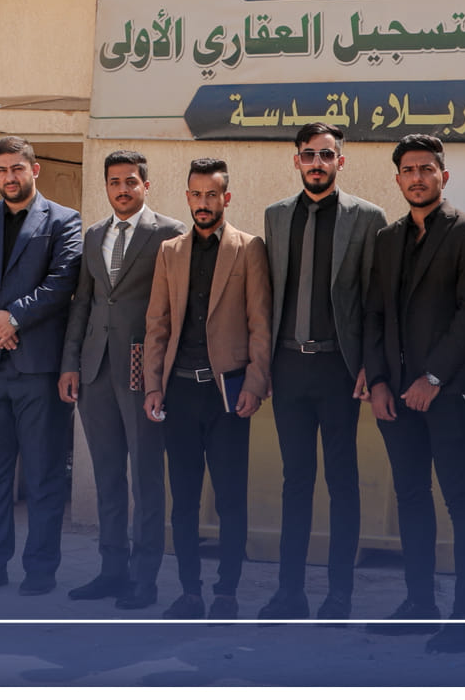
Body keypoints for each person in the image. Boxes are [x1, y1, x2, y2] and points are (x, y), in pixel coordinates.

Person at [363, 134, 465, 653]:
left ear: (444, 175)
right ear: (398, 179)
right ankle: (420, 605)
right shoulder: (387, 238)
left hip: (449, 393)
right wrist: (377, 381)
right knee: (411, 496)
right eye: (408, 170)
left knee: (459, 495)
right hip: (394, 397)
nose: (417, 177)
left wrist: (432, 377)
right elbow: (374, 315)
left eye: (426, 169)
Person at [0, 135, 83, 595]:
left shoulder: (63, 220)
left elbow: (62, 281)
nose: (10, 177)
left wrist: (14, 318)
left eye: (18, 168)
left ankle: (41, 570)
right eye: (2, 170)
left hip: (38, 370)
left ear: (34, 169)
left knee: (44, 475)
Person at [260, 122, 383, 621]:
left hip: (339, 367)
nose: (317, 163)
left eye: (326, 155)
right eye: (309, 154)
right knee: (295, 482)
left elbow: (375, 300)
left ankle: (339, 596)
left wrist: (370, 364)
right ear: (296, 160)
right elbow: (268, 295)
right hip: (287, 365)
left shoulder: (367, 218)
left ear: (340, 161)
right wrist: (262, 365)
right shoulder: (275, 216)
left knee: (342, 483)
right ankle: (290, 594)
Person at [142, 158, 271, 621]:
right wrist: (152, 386)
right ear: (187, 197)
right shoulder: (169, 251)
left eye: (211, 195)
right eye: (196, 195)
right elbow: (156, 324)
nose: (203, 203)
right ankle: (190, 593)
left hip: (227, 394)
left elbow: (260, 324)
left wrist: (255, 383)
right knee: (184, 500)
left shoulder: (248, 248)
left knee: (231, 499)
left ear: (226, 198)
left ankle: (227, 594)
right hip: (179, 392)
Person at [59, 150, 187, 611]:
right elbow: (84, 303)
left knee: (145, 477)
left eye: (130, 181)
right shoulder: (94, 235)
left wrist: (160, 371)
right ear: (106, 187)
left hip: (141, 369)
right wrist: (70, 363)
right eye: (114, 182)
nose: (122, 189)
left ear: (145, 186)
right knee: (107, 474)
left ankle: (143, 578)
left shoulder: (169, 233)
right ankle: (111, 571)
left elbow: (175, 305)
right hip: (94, 370)